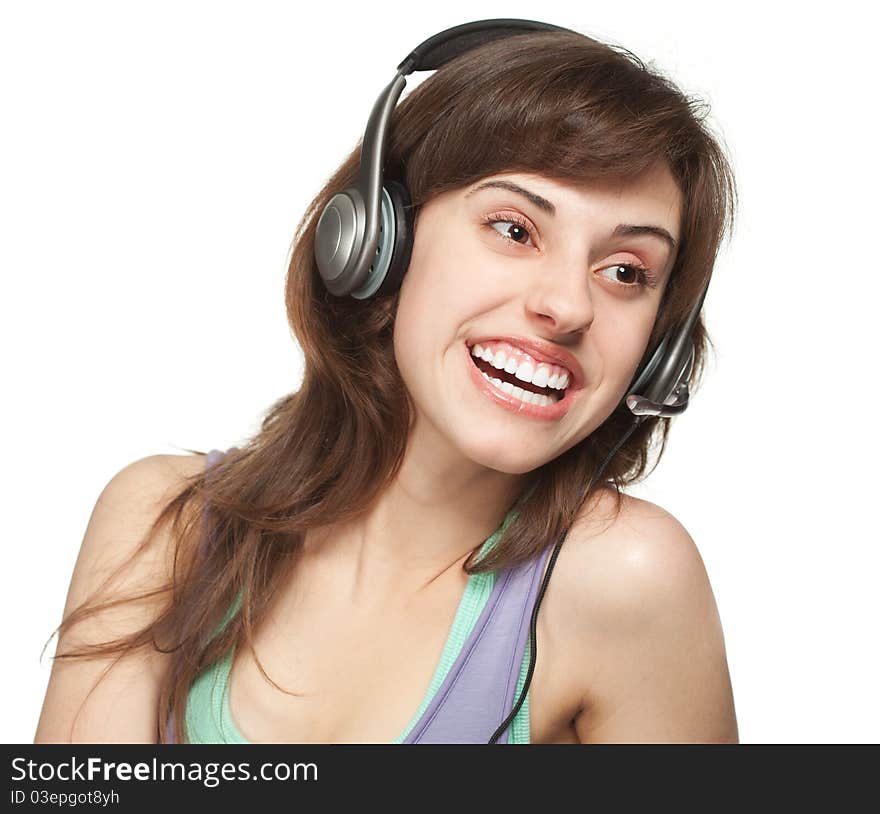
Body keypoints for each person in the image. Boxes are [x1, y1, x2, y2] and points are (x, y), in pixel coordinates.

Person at [34, 22, 738, 744]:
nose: (568, 307)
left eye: (627, 272)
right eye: (514, 229)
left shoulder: (629, 579)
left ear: (662, 345)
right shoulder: (162, 529)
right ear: (379, 241)